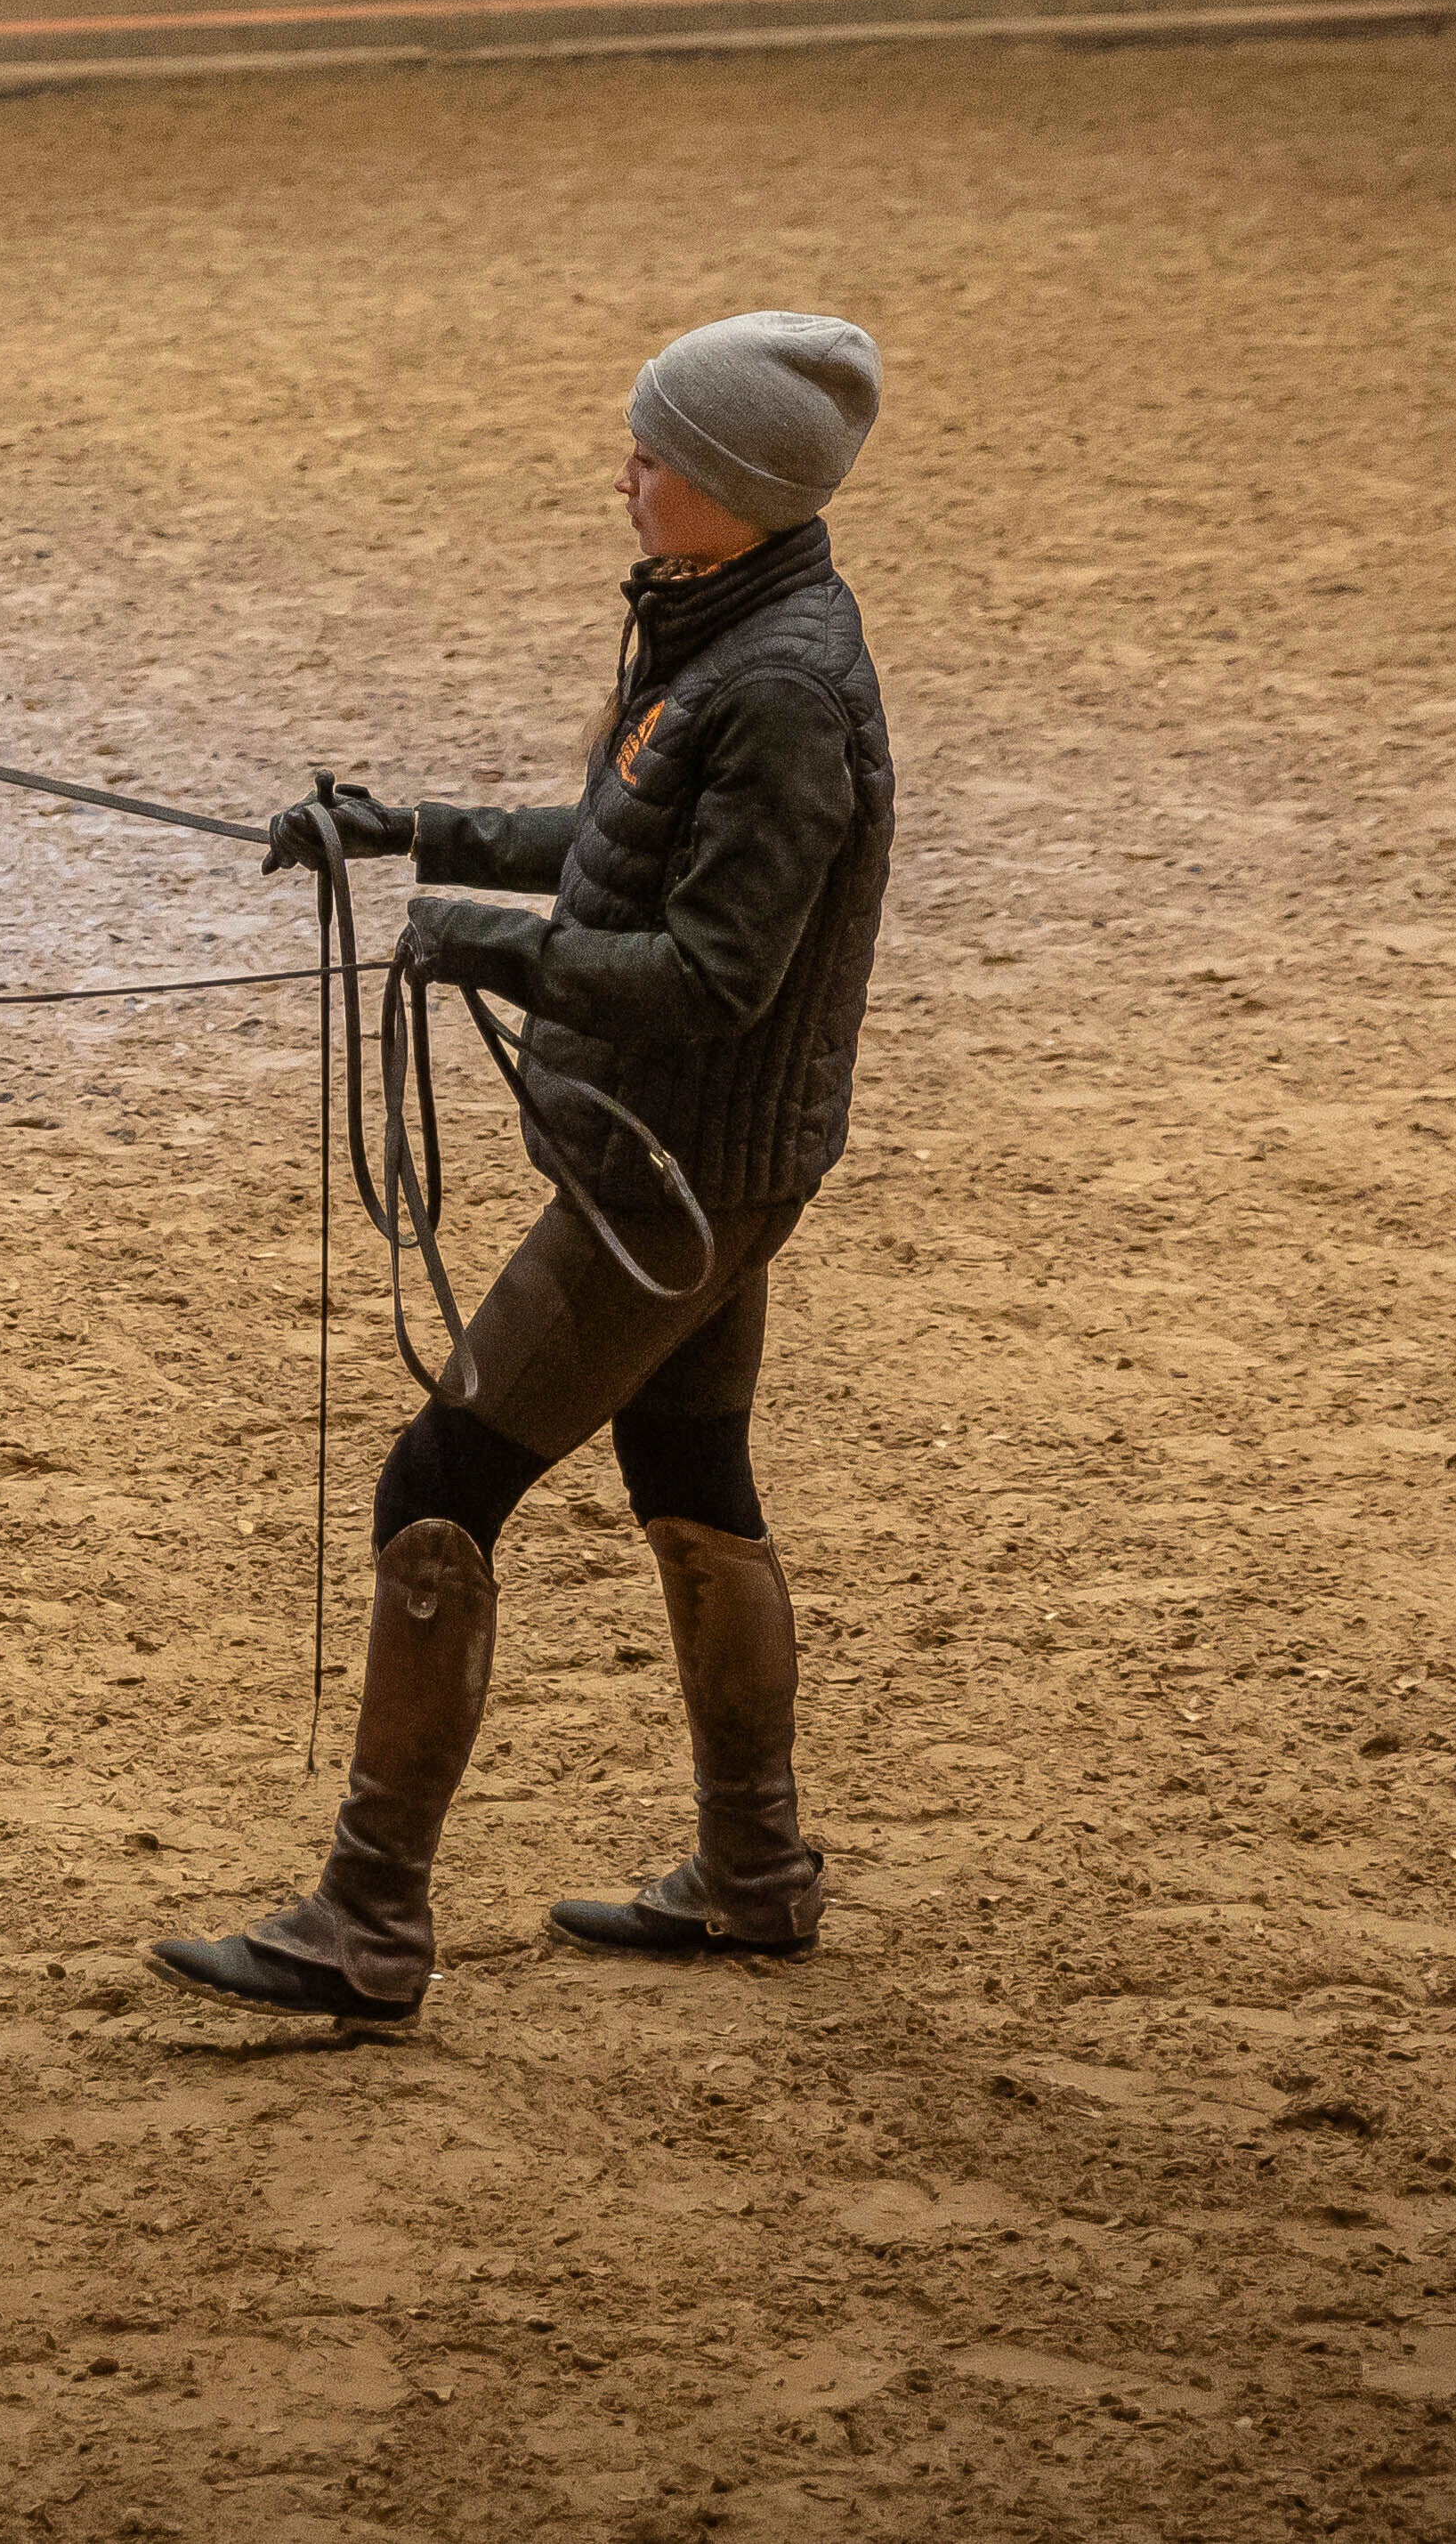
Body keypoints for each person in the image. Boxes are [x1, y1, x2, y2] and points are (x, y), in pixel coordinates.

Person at [153, 311, 894, 2028]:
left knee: (439, 1480)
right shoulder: (726, 641)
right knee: (694, 1476)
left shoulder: (777, 687)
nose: (627, 471)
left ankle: (367, 1916)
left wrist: (474, 946)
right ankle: (756, 1869)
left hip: (668, 1181)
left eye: (658, 451)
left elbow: (714, 971)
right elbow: (620, 841)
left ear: (741, 486)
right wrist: (407, 828)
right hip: (703, 1166)